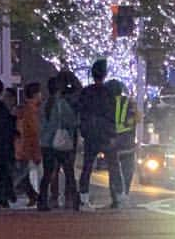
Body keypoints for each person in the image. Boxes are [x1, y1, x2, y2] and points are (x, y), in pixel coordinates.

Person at [78, 58, 116, 210]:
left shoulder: (86, 92)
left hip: (91, 135)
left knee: (87, 167)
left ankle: (83, 198)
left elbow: (81, 112)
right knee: (113, 166)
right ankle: (116, 197)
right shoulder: (109, 93)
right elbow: (111, 114)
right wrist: (113, 134)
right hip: (105, 134)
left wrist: (84, 130)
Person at [38, 74, 78, 211]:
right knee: (68, 171)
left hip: (45, 142)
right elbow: (71, 122)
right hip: (59, 143)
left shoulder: (43, 105)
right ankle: (73, 200)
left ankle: (43, 200)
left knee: (48, 173)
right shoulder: (61, 104)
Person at [107, 79, 137, 208]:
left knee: (114, 172)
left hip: (113, 143)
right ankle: (124, 195)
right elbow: (137, 119)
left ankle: (116, 198)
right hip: (128, 142)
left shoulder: (107, 104)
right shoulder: (129, 103)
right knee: (127, 171)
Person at [14, 80, 43, 206]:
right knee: (19, 175)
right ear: (36, 94)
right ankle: (3, 195)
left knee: (22, 174)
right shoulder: (32, 111)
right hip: (27, 148)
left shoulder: (24, 109)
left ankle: (33, 195)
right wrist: (36, 153)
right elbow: (33, 133)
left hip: (20, 147)